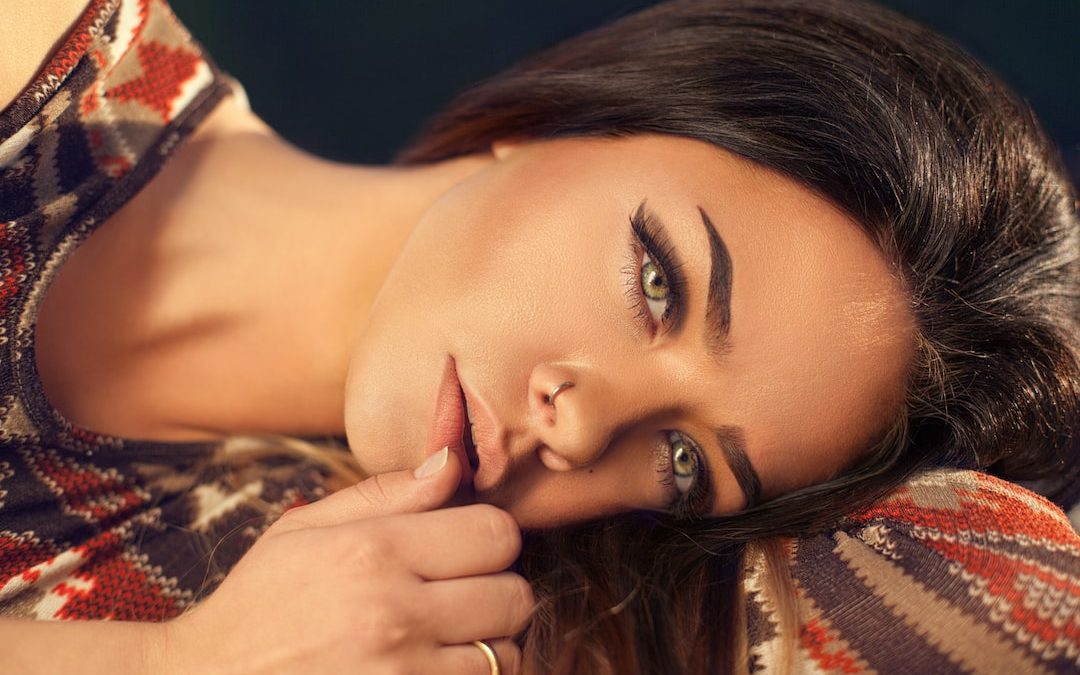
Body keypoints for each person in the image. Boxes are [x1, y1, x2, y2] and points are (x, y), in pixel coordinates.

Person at [0, 0, 1077, 673]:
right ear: (566, 118)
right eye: (659, 281)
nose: (588, 421)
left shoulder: (342, 626)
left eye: (684, 459)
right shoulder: (42, 50)